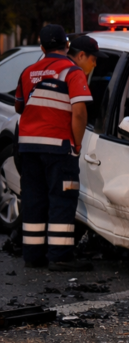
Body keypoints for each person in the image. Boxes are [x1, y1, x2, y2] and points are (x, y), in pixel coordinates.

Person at [15, 26, 104, 271]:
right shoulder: (72, 72)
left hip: (28, 147)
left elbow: (19, 107)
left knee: (33, 199)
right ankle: (60, 256)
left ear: (42, 48)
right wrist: (77, 145)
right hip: (58, 147)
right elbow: (79, 112)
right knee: (62, 199)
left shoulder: (28, 71)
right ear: (67, 46)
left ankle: (33, 255)